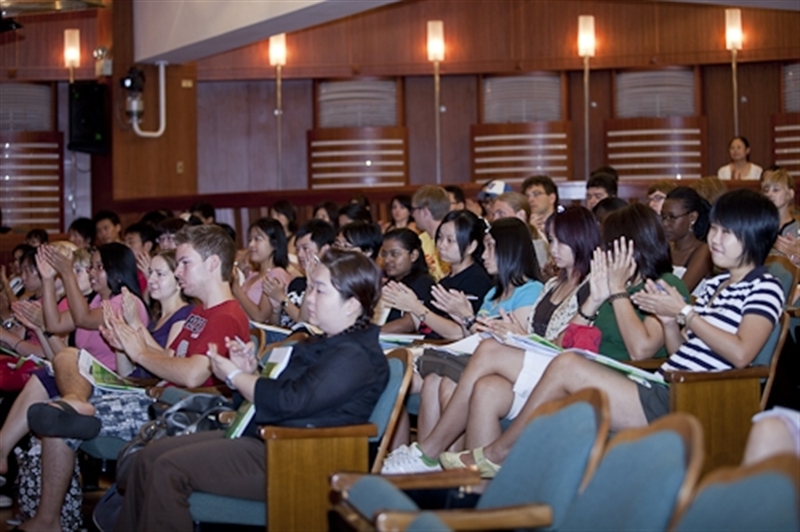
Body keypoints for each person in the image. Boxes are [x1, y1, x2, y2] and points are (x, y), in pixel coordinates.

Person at [445, 189, 783, 476]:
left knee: (568, 365)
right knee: (550, 367)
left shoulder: (764, 286)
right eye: (715, 230)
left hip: (692, 398)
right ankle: (493, 470)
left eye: (725, 233)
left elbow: (741, 354)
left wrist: (683, 312)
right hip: (666, 385)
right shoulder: (714, 286)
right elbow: (683, 351)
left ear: (752, 235)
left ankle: (499, 453)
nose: (714, 239)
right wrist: (669, 322)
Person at [115, 249, 390, 531]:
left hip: (299, 458)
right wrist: (250, 373)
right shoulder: (324, 343)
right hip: (271, 441)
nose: (308, 298)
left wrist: (235, 376)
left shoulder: (356, 356)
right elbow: (286, 394)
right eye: (309, 288)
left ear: (351, 304)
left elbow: (289, 401)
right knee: (148, 457)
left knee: (167, 468)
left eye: (319, 290)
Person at [15, 225, 249, 532]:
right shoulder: (200, 313)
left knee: (62, 419)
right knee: (64, 385)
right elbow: (170, 359)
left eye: (184, 263)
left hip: (179, 413)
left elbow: (193, 374)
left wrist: (139, 352)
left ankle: (48, 520)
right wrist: (132, 338)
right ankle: (48, 518)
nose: (178, 271)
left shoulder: (226, 315)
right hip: (159, 397)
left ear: (213, 264)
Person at [382, 210, 493, 340]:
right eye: (440, 237)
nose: (441, 245)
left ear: (471, 246)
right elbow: (425, 325)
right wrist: (409, 303)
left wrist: (415, 307)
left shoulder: (477, 280)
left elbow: (458, 333)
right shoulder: (445, 282)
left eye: (450, 240)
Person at [262, 219, 335, 329]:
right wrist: (276, 309)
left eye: (305, 248)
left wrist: (282, 298)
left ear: (325, 250)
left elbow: (304, 322)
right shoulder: (296, 283)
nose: (300, 255)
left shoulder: (328, 287)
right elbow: (275, 326)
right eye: (297, 250)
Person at [232, 218, 293, 322]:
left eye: (257, 239)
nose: (251, 245)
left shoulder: (276, 275)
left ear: (274, 244)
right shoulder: (253, 274)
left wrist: (237, 290)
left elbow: (260, 316)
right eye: (250, 240)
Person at [380, 228, 435, 333]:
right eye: (384, 254)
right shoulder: (389, 283)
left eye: (394, 254)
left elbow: (409, 323)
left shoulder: (423, 283)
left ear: (413, 255)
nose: (387, 260)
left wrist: (371, 334)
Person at [661, 187, 713, 293]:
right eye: (663, 216)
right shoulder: (665, 247)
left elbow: (681, 292)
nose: (665, 223)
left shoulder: (704, 251)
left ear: (692, 217)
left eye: (672, 217)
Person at [411, 185, 454, 281]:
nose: (412, 215)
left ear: (425, 212)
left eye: (414, 210)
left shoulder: (455, 240)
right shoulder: (421, 240)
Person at [761, 168, 798, 258]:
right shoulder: (758, 227)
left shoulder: (797, 228)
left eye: (776, 190)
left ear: (790, 194)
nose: (769, 194)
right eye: (766, 190)